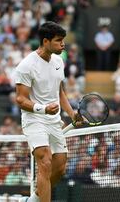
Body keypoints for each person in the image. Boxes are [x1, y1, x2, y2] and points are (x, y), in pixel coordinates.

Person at [14, 21, 85, 202]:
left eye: (63, 41)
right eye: (58, 41)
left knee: (59, 167)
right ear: (45, 41)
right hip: (34, 119)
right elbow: (20, 99)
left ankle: (33, 200)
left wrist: (71, 114)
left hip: (54, 120)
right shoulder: (26, 65)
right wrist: (43, 109)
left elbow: (59, 91)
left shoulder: (59, 61)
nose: (63, 44)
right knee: (45, 162)